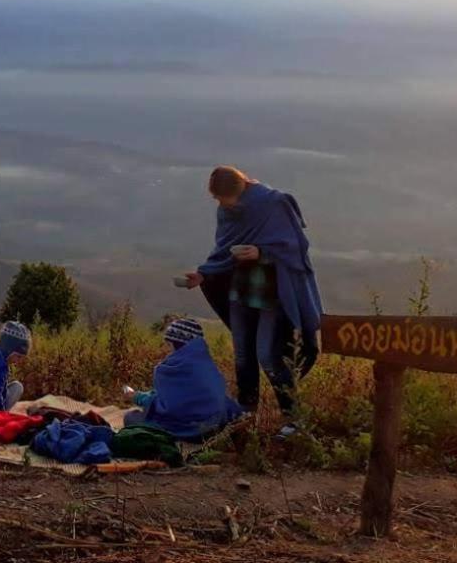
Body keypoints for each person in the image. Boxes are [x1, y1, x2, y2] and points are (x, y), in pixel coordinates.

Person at [182, 166, 322, 439]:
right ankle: (246, 414)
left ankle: (294, 419)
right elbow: (223, 249)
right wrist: (203, 274)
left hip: (272, 294)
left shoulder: (274, 203)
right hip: (240, 290)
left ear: (240, 188)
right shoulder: (227, 210)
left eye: (225, 199)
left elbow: (295, 247)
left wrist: (261, 252)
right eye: (219, 201)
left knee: (268, 355)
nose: (222, 205)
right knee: (243, 355)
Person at [122, 317, 243, 440]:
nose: (167, 350)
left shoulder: (169, 369)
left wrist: (137, 397)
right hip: (215, 424)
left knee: (131, 418)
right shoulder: (208, 365)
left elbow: (169, 408)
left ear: (178, 344)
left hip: (190, 430)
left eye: (169, 344)